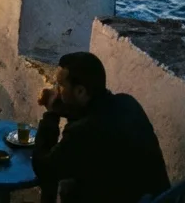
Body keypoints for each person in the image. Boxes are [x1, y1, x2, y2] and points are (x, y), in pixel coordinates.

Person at [32, 51, 170, 203]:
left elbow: (44, 169)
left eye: (60, 85)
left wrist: (51, 115)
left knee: (64, 184)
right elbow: (91, 119)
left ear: (80, 91)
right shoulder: (127, 102)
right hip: (158, 197)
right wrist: (62, 109)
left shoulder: (81, 133)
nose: (56, 91)